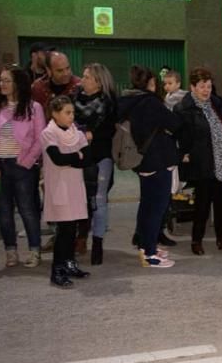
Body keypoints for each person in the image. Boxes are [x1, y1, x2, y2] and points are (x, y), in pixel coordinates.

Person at [0, 67, 46, 269]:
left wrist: (26, 162)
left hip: (22, 166)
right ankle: (11, 251)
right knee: (4, 211)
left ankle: (35, 250)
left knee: (28, 210)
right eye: (1, 80)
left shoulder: (33, 108)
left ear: (18, 83)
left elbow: (40, 137)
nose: (2, 84)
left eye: (7, 80)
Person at [117, 65, 183, 268]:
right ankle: (150, 254)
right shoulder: (151, 102)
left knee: (146, 205)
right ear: (151, 83)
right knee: (157, 207)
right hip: (158, 160)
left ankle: (146, 246)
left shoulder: (126, 101)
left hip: (141, 160)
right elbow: (175, 124)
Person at [176, 67, 222, 256]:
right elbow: (181, 137)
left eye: (208, 86)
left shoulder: (216, 103)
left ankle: (221, 236)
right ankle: (196, 240)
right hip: (201, 162)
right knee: (202, 204)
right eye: (202, 86)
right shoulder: (184, 108)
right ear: (192, 87)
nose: (206, 90)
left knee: (221, 202)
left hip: (220, 161)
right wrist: (185, 154)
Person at [41, 96, 92, 288]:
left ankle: (70, 264)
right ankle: (57, 269)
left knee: (73, 230)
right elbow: (57, 159)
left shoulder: (76, 133)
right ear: (55, 113)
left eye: (72, 112)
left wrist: (74, 157)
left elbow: (87, 159)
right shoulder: (48, 134)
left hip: (75, 187)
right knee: (64, 231)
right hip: (59, 188)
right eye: (67, 113)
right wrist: (76, 155)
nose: (71, 116)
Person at [72, 63, 117, 264]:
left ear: (98, 82)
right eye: (83, 76)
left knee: (99, 201)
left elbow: (108, 131)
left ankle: (97, 243)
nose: (82, 80)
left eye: (87, 77)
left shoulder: (109, 103)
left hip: (101, 157)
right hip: (77, 157)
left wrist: (91, 135)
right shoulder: (74, 99)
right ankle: (80, 238)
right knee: (78, 201)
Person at [31, 51, 81, 119]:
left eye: (67, 68)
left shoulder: (79, 85)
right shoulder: (38, 88)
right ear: (49, 70)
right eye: (60, 70)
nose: (66, 73)